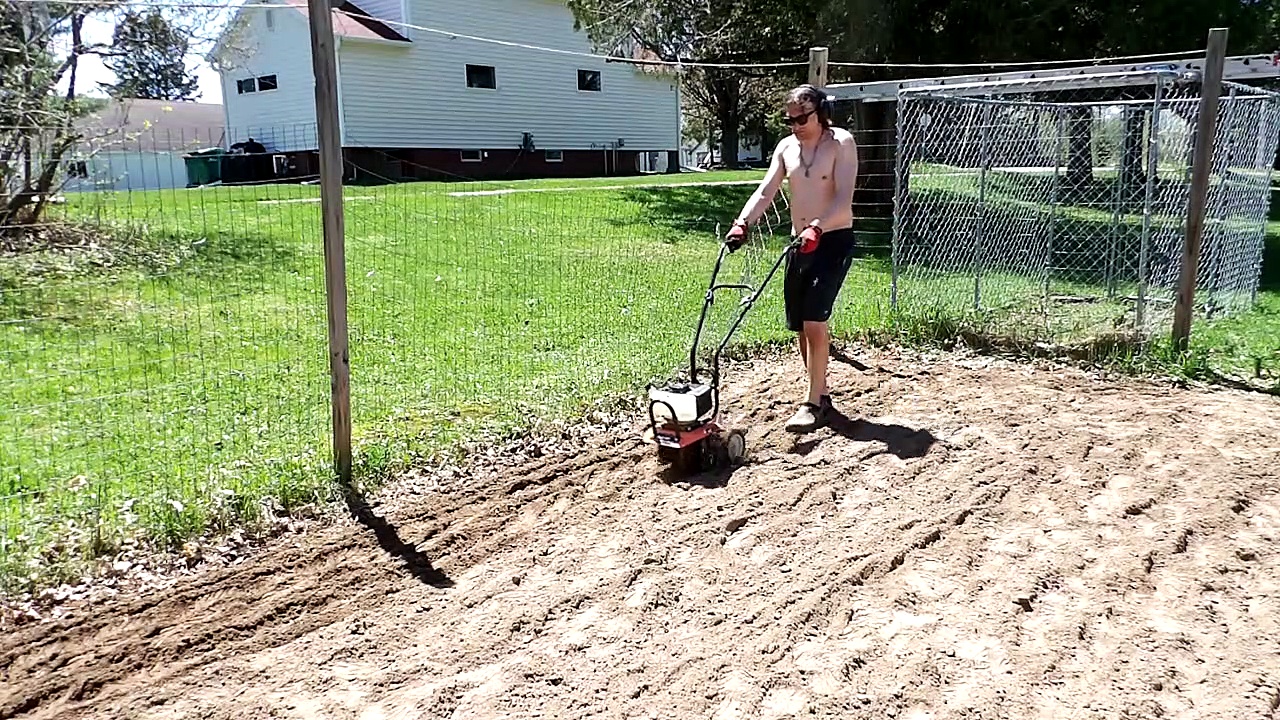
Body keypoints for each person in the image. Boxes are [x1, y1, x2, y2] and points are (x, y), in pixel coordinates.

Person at [724, 84, 859, 434]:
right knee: (800, 325)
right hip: (801, 242)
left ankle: (813, 403)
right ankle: (822, 393)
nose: (796, 124)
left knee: (815, 320)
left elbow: (843, 200)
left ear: (820, 112)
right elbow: (766, 190)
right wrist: (743, 223)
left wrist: (817, 227)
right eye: (790, 119)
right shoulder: (787, 148)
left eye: (802, 117)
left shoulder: (840, 143)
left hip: (833, 239)